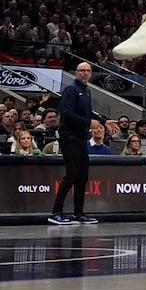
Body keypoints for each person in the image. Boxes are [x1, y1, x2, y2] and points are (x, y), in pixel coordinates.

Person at [49, 62, 96, 225]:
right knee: (72, 174)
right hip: (69, 137)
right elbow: (67, 114)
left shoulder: (87, 91)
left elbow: (88, 114)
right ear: (76, 72)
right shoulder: (71, 90)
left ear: (91, 74)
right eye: (81, 70)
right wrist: (89, 123)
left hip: (81, 138)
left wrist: (102, 121)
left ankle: (78, 213)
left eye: (88, 71)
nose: (85, 73)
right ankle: (56, 212)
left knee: (82, 176)